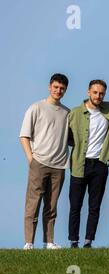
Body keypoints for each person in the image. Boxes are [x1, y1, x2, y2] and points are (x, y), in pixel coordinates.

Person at [19, 73, 70, 250]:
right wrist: (31, 159)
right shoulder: (36, 108)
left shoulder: (67, 113)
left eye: (62, 88)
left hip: (59, 166)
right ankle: (29, 242)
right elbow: (24, 135)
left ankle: (49, 242)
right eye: (56, 87)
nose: (58, 91)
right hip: (39, 163)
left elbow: (70, 139)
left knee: (51, 205)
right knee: (33, 203)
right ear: (50, 87)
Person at [67, 80, 109, 248]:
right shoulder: (75, 113)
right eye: (95, 92)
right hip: (79, 163)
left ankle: (88, 241)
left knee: (94, 206)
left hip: (100, 165)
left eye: (101, 93)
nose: (98, 96)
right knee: (75, 205)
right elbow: (67, 137)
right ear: (89, 92)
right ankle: (74, 241)